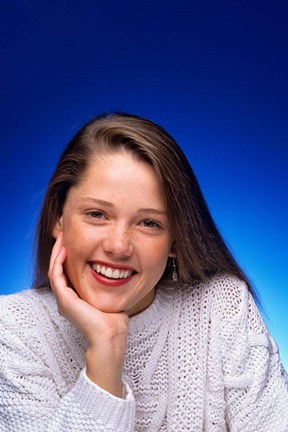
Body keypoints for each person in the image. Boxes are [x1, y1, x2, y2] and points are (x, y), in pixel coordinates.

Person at [0, 113, 287, 432]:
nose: (118, 246)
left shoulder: (222, 308)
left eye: (149, 223)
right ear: (58, 217)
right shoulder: (13, 330)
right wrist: (107, 348)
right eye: (97, 214)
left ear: (177, 240)